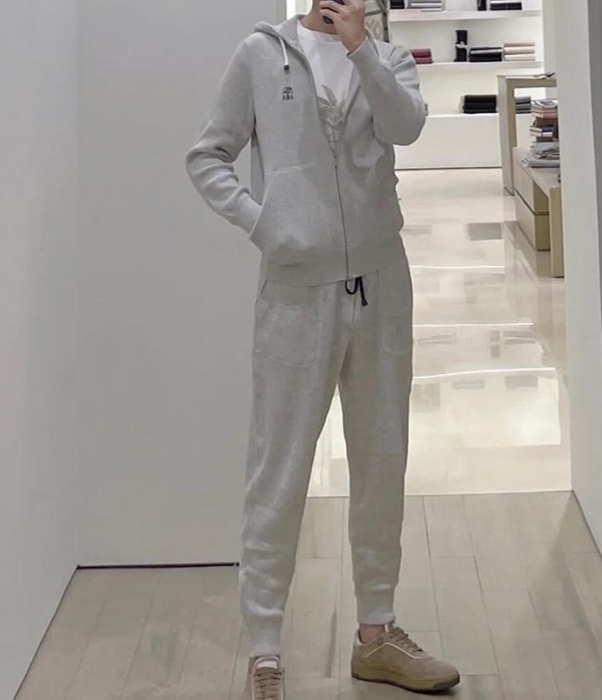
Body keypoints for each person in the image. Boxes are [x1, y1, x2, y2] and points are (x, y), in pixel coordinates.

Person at [186, 1, 460, 697]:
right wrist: (265, 224)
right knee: (279, 466)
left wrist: (362, 49)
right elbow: (208, 156)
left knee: (382, 457)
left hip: (381, 280)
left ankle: (377, 634)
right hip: (295, 289)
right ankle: (266, 649)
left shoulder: (387, 58)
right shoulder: (260, 53)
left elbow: (405, 127)